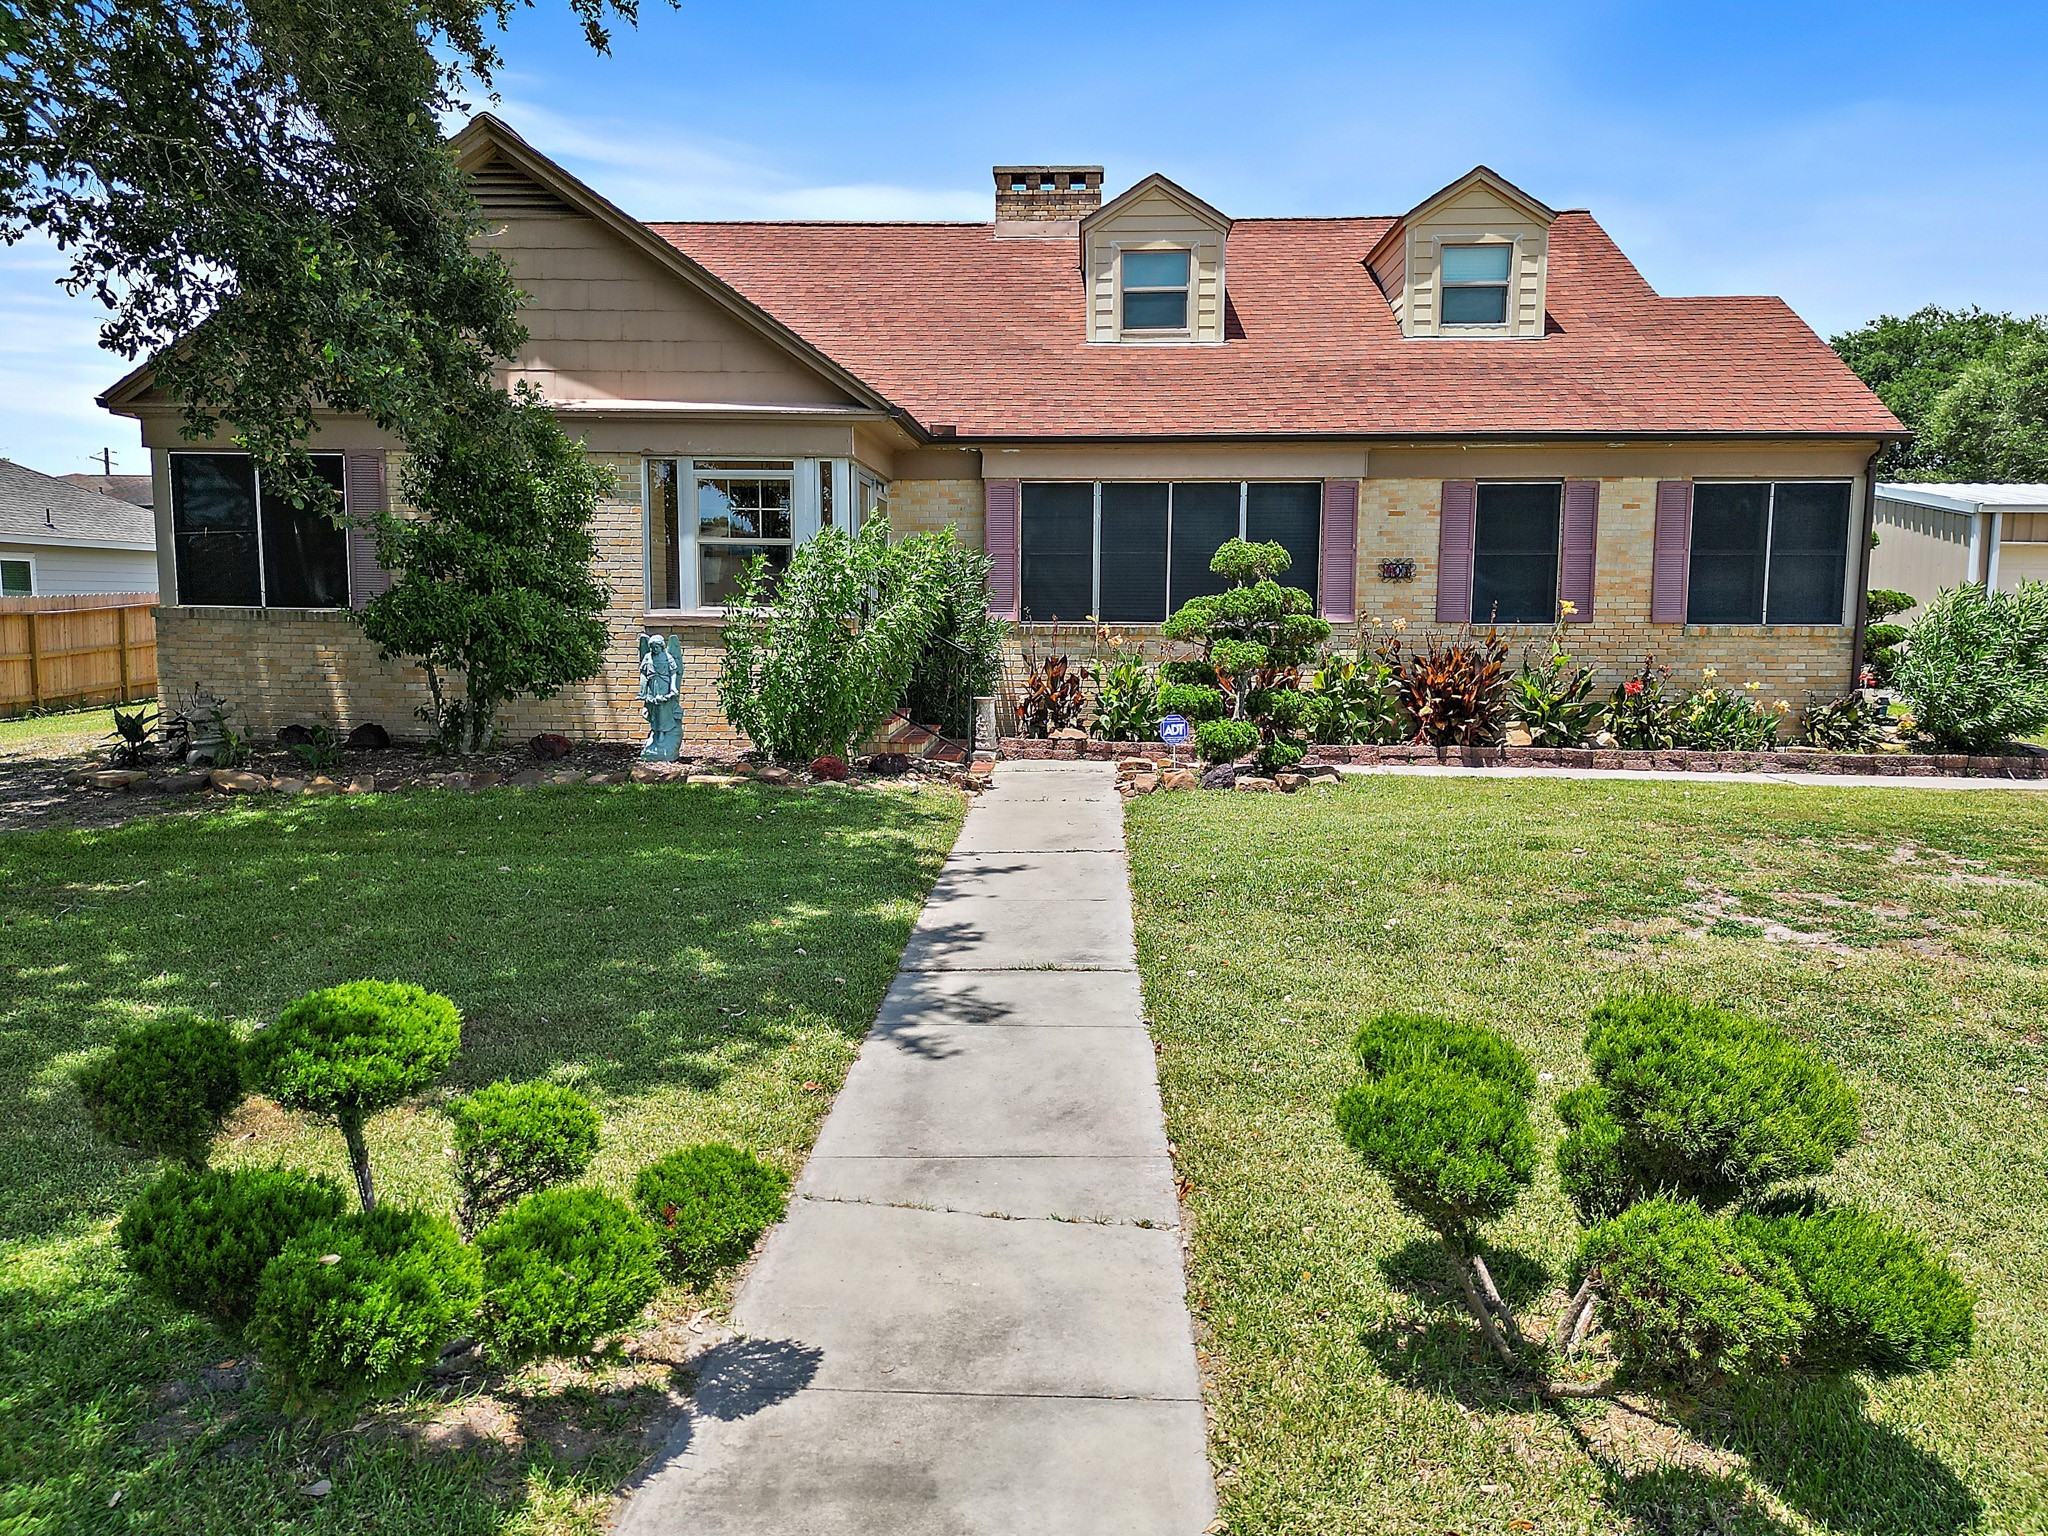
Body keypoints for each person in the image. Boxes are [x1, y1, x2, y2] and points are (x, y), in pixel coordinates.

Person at [639, 632, 682, 761]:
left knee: (663, 711)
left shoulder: (667, 657)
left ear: (662, 646)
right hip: (653, 687)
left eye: (656, 647)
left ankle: (663, 734)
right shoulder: (647, 657)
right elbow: (643, 673)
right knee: (654, 711)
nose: (654, 650)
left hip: (664, 686)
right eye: (652, 648)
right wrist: (643, 691)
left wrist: (673, 688)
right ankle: (655, 733)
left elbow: (674, 672)